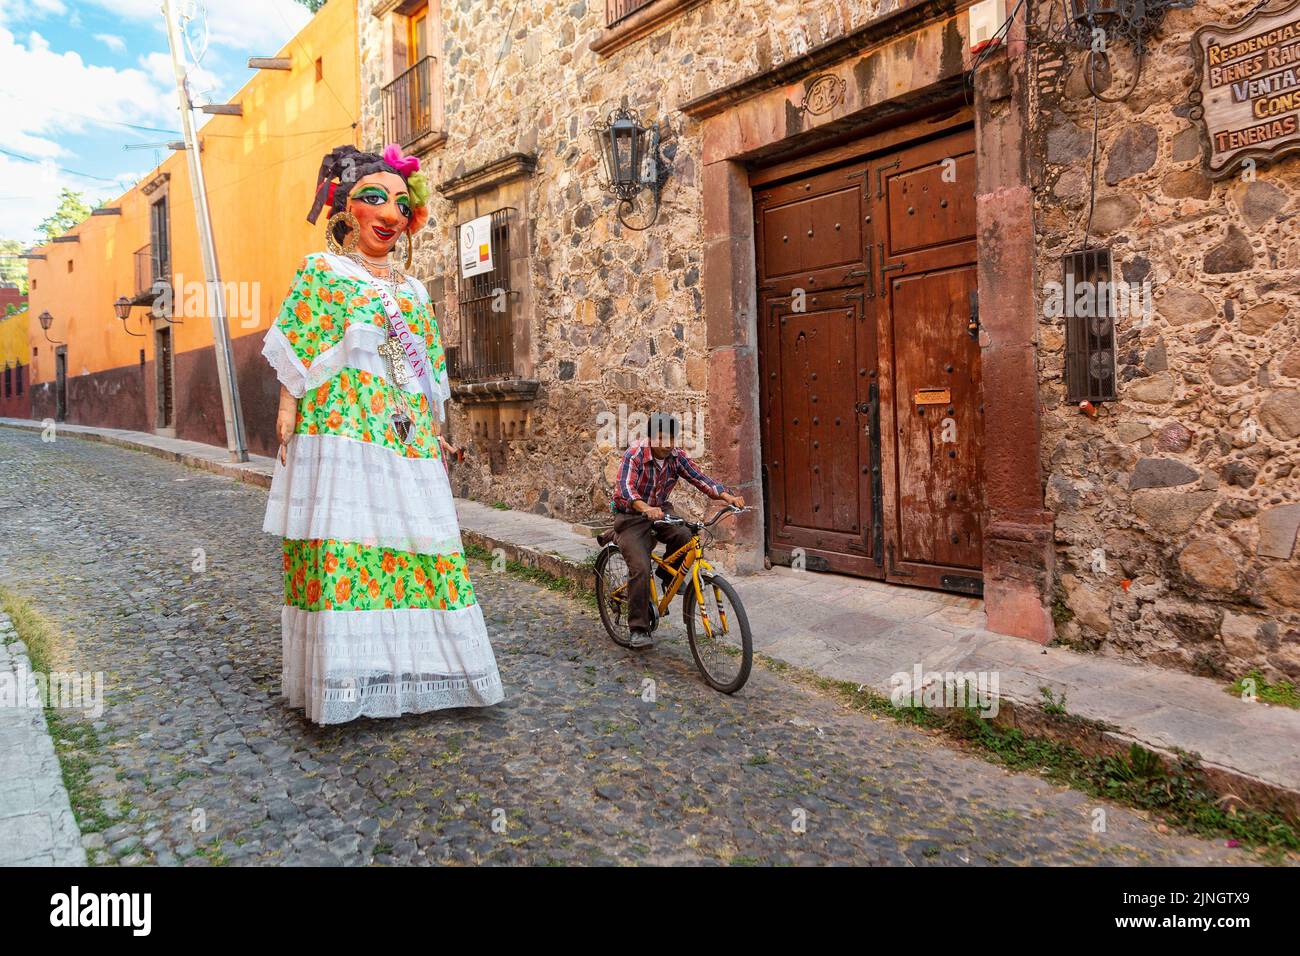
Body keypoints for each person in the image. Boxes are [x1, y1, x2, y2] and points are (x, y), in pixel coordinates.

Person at [260, 143, 503, 724]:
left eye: (399, 202)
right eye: (374, 198)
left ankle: (420, 668)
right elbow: (301, 342)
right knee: (348, 546)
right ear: (346, 210)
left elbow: (418, 371)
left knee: (418, 549)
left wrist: (432, 429)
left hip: (400, 434)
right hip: (341, 430)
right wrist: (288, 405)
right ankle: (343, 681)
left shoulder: (414, 292)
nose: (389, 213)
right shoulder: (323, 274)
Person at [608, 413, 745, 647]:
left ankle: (667, 575)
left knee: (685, 535)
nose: (666, 444)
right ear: (650, 438)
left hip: (660, 511)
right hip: (631, 515)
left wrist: (726, 496)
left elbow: (699, 478)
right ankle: (639, 629)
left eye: (670, 438)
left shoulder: (676, 456)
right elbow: (625, 489)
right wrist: (644, 507)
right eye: (660, 438)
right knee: (640, 568)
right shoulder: (635, 454)